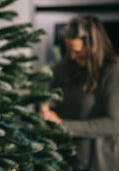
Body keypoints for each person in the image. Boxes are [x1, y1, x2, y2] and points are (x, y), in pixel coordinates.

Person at [40, 15, 119, 171]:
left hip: (100, 162)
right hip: (67, 159)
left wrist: (62, 125)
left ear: (93, 46)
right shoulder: (67, 65)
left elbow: (114, 123)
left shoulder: (113, 71)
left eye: (77, 51)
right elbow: (42, 88)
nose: (72, 56)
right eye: (68, 50)